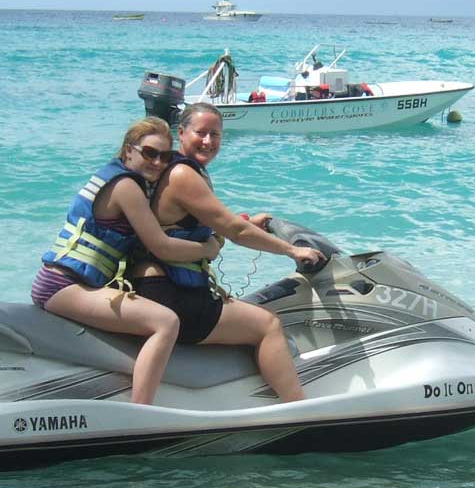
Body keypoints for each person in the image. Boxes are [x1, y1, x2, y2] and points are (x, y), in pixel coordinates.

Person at [127, 101, 326, 401]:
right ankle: (298, 407)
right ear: (181, 132)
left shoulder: (176, 170)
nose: (208, 141)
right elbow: (235, 232)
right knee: (268, 325)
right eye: (201, 133)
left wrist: (246, 220)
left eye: (216, 134)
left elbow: (213, 222)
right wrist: (291, 251)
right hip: (171, 294)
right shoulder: (182, 174)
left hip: (160, 286)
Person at [30, 118, 222, 405]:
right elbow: (161, 245)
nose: (158, 162)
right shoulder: (127, 188)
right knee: (166, 322)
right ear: (128, 150)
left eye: (165, 156)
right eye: (149, 153)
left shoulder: (120, 179)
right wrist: (206, 249)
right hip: (63, 285)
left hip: (67, 282)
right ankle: (141, 410)